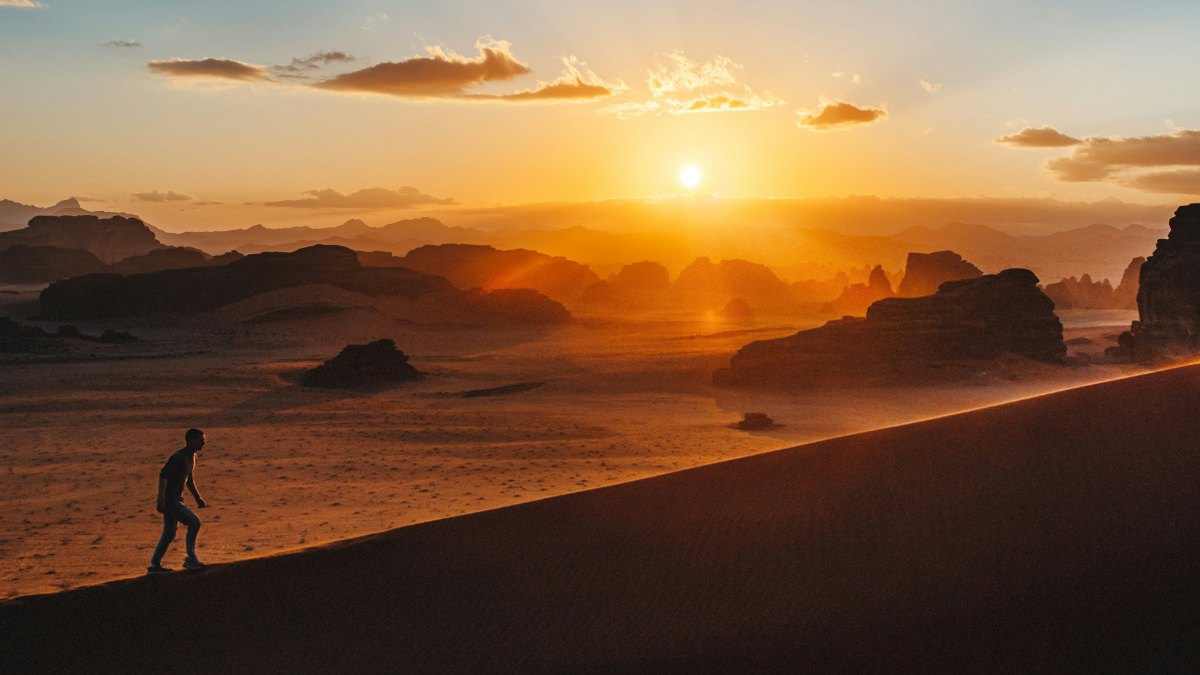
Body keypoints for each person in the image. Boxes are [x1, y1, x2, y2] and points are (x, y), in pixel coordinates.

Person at [148, 428, 209, 574]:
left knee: (169, 533)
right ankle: (190, 558)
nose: (203, 443)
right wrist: (161, 500)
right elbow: (163, 476)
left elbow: (189, 479)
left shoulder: (191, 457)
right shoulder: (179, 457)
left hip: (174, 499)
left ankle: (154, 565)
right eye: (200, 440)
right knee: (194, 522)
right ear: (191, 440)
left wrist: (197, 497)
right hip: (171, 501)